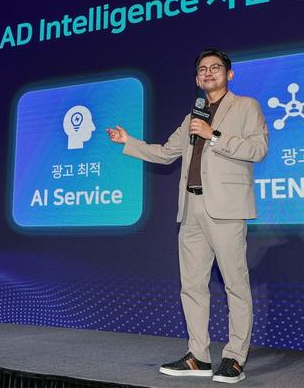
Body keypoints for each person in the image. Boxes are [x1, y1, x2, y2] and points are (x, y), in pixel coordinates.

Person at [107, 48, 268, 384]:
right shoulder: (192, 116)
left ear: (229, 74)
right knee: (192, 286)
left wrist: (215, 135)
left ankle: (235, 358)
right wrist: (128, 141)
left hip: (226, 209)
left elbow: (258, 150)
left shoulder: (246, 106)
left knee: (235, 286)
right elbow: (166, 153)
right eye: (202, 69)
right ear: (197, 79)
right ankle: (198, 356)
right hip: (191, 208)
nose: (208, 72)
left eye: (215, 67)